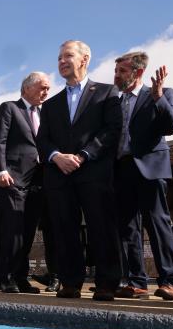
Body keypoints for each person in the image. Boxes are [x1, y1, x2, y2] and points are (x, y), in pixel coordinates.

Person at [36, 40, 123, 300]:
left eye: (68, 56)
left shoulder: (107, 93)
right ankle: (70, 282)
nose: (62, 61)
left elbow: (112, 130)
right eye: (59, 57)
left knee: (101, 226)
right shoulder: (51, 105)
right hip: (59, 175)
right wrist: (56, 156)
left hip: (94, 172)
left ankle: (107, 283)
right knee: (64, 228)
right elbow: (43, 139)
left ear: (84, 59)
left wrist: (85, 155)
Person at [111, 52, 173, 301]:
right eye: (116, 70)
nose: (116, 75)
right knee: (128, 228)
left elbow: (172, 125)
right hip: (122, 169)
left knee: (157, 222)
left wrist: (158, 97)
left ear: (138, 72)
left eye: (121, 71)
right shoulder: (115, 102)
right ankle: (136, 281)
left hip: (150, 167)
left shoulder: (162, 93)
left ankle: (169, 280)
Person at [0, 72, 54, 294]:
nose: (46, 92)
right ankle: (6, 277)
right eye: (42, 87)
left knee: (28, 232)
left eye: (48, 88)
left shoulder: (46, 113)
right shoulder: (9, 108)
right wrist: (0, 170)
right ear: (26, 88)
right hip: (12, 178)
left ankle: (21, 277)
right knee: (13, 230)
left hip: (37, 181)